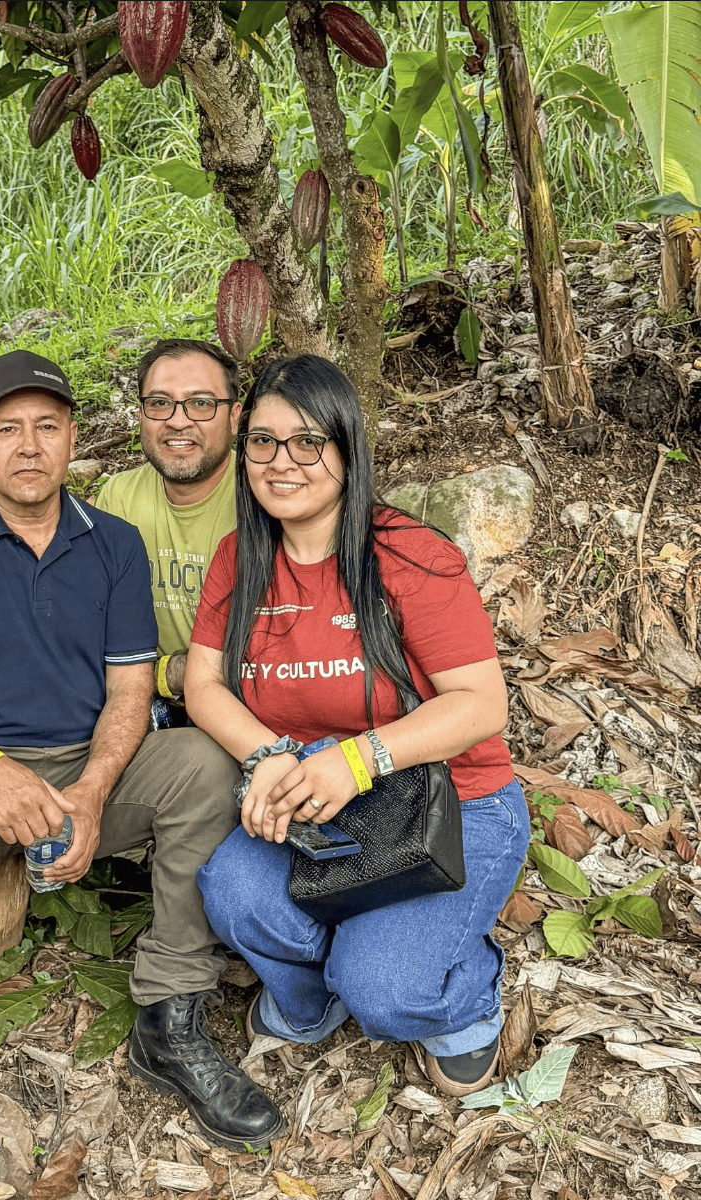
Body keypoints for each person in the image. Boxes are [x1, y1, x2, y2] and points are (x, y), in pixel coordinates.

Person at [0, 349, 283, 1196]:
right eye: (8, 429)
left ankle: (171, 1016)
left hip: (84, 758)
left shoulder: (114, 544)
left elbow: (132, 689)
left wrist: (94, 791)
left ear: (73, 444)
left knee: (204, 765)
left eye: (48, 428)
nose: (29, 447)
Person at [186, 353, 528, 1098]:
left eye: (308, 441)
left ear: (347, 448)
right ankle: (315, 994)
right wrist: (270, 755)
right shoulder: (239, 560)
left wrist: (359, 759)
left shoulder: (408, 553)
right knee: (232, 894)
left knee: (387, 990)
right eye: (264, 443)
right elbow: (201, 683)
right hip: (313, 796)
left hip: (447, 803)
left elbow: (480, 704)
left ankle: (463, 992)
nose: (283, 462)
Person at [96, 339, 241, 715]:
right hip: (146, 704)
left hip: (248, 707)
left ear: (235, 416)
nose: (178, 420)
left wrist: (171, 674)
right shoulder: (119, 498)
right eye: (160, 403)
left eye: (201, 403)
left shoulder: (265, 493)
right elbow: (91, 631)